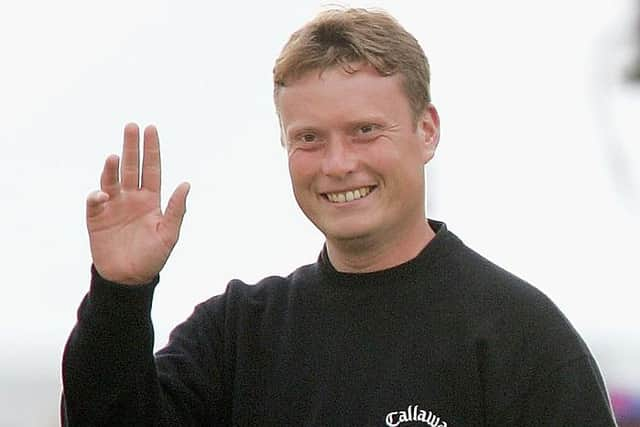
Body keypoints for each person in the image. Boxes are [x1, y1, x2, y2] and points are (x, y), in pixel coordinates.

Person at [61, 8, 617, 426]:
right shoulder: (238, 336)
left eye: (365, 130)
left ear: (427, 131)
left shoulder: (520, 338)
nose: (338, 164)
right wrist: (120, 293)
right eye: (309, 138)